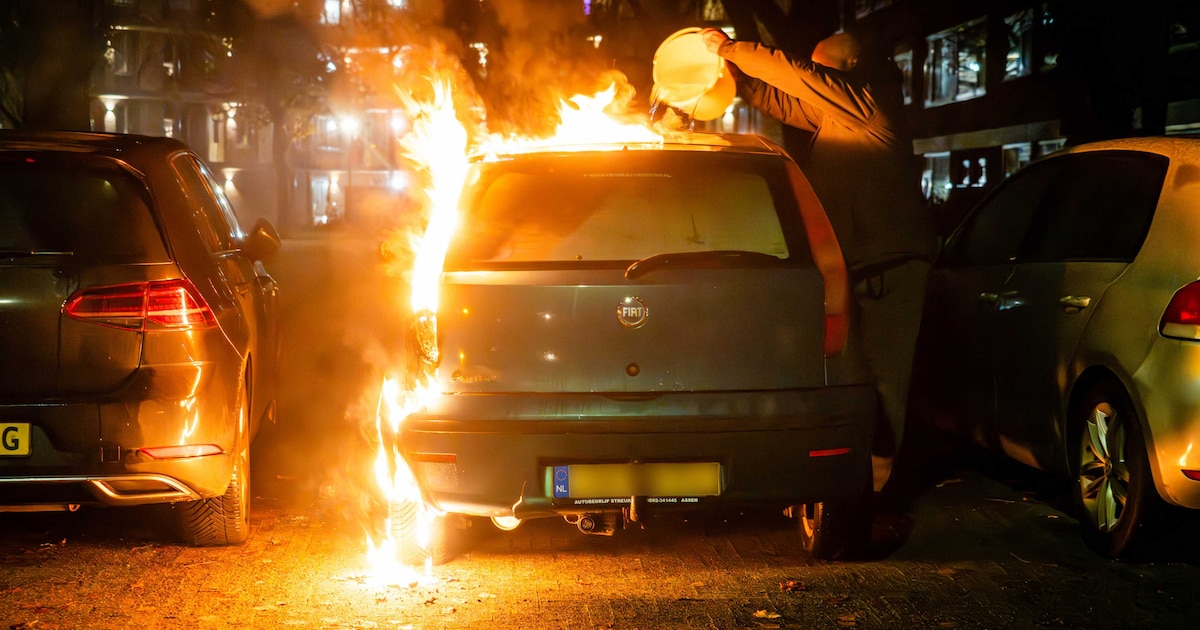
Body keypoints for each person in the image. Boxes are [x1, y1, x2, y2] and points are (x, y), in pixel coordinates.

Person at [701, 27, 939, 499]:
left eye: (823, 67)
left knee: (887, 380)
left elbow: (797, 77)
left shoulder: (869, 102)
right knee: (850, 378)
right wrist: (740, 82)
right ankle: (853, 479)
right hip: (858, 264)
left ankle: (881, 488)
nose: (815, 75)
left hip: (893, 266)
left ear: (849, 67)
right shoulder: (841, 115)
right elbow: (788, 100)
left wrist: (731, 49)